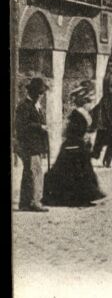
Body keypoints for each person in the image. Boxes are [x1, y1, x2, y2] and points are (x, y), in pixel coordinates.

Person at [43, 80, 105, 207]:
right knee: (75, 172)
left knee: (81, 172)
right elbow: (72, 131)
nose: (90, 105)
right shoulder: (77, 114)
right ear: (83, 102)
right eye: (89, 102)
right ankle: (77, 198)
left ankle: (83, 198)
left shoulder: (83, 114)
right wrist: (83, 138)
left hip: (79, 146)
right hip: (73, 147)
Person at [14, 77, 52, 212]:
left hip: (35, 145)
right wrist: (40, 127)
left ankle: (25, 203)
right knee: (35, 172)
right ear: (35, 93)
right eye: (40, 93)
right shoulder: (24, 106)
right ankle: (35, 202)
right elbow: (21, 126)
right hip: (28, 145)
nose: (41, 96)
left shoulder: (35, 106)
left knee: (29, 173)